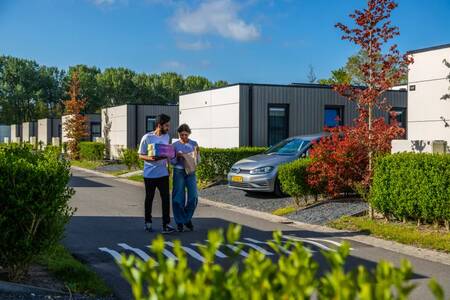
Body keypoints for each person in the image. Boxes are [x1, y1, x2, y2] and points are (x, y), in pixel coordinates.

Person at [138, 114, 175, 234]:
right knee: (149, 198)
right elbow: (140, 155)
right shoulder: (147, 137)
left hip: (163, 173)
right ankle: (148, 222)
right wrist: (151, 158)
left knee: (165, 198)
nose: (168, 127)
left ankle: (166, 224)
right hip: (149, 174)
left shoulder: (167, 136)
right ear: (159, 125)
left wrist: (169, 167)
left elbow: (166, 152)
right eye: (166, 125)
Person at [171, 124, 199, 232]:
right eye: (181, 135)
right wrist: (177, 156)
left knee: (193, 197)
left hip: (191, 172)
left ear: (189, 134)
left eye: (185, 135)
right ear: (178, 134)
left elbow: (198, 161)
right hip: (178, 171)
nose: (183, 137)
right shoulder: (174, 145)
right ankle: (180, 222)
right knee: (178, 198)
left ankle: (186, 219)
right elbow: (172, 161)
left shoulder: (194, 144)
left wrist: (197, 154)